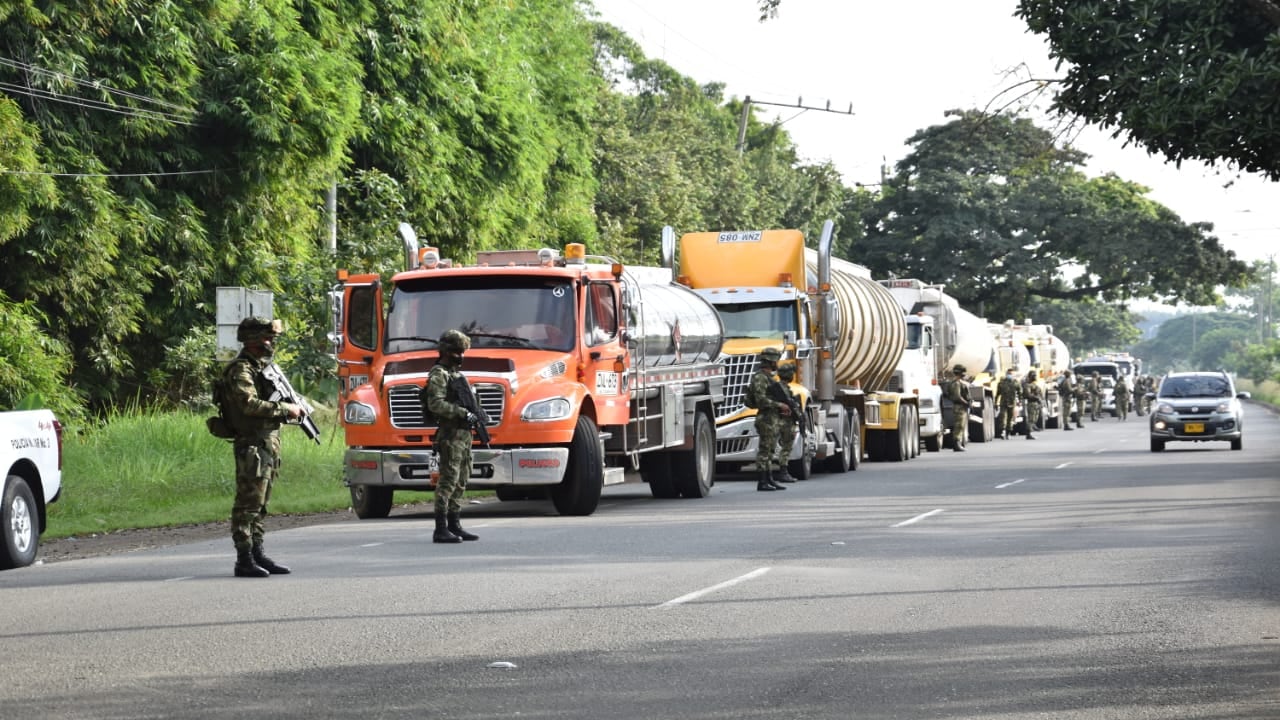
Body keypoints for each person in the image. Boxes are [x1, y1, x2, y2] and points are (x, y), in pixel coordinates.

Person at [221, 317, 302, 578]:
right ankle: (243, 559)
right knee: (248, 504)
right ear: (254, 341)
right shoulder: (241, 370)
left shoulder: (261, 368)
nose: (271, 343)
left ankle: (257, 553)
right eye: (267, 338)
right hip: (252, 444)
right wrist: (284, 409)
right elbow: (248, 404)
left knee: (261, 503)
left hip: (267, 442)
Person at [421, 329, 482, 543]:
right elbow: (435, 404)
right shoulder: (439, 374)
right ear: (446, 352)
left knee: (462, 477)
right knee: (448, 479)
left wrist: (477, 414)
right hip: (450, 435)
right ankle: (441, 528)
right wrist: (461, 412)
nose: (461, 356)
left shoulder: (457, 375)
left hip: (463, 435)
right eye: (457, 352)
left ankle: (455, 524)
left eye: (463, 351)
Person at [743, 347, 789, 491]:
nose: (777, 364)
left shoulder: (769, 378)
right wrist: (779, 405)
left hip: (772, 418)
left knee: (770, 450)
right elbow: (761, 400)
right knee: (765, 450)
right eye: (776, 360)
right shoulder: (760, 378)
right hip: (766, 419)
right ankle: (762, 481)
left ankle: (769, 479)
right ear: (771, 361)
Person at [773, 362, 802, 482]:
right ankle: (783, 472)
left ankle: (773, 474)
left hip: (781, 420)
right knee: (786, 447)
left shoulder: (783, 388)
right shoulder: (780, 389)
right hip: (783, 421)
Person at [944, 364, 970, 451]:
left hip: (961, 406)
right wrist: (966, 403)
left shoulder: (958, 383)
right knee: (959, 425)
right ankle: (956, 444)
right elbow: (957, 396)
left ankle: (959, 443)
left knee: (961, 425)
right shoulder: (956, 383)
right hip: (959, 407)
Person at [995, 368, 1022, 439]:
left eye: (1011, 374)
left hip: (1012, 403)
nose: (1009, 375)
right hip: (1003, 403)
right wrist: (995, 402)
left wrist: (1020, 401)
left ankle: (1008, 432)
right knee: (1003, 416)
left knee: (1010, 418)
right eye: (1008, 374)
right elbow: (998, 393)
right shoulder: (1002, 383)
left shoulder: (1016, 383)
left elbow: (1020, 393)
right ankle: (1003, 431)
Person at [1020, 370, 1041, 439]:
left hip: (1036, 403)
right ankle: (1028, 434)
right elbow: (1028, 395)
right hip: (1031, 403)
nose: (1035, 377)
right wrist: (1036, 398)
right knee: (1031, 419)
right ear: (1030, 376)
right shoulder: (1027, 385)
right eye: (1033, 375)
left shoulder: (1034, 384)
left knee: (1034, 419)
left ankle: (1031, 430)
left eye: (1035, 375)